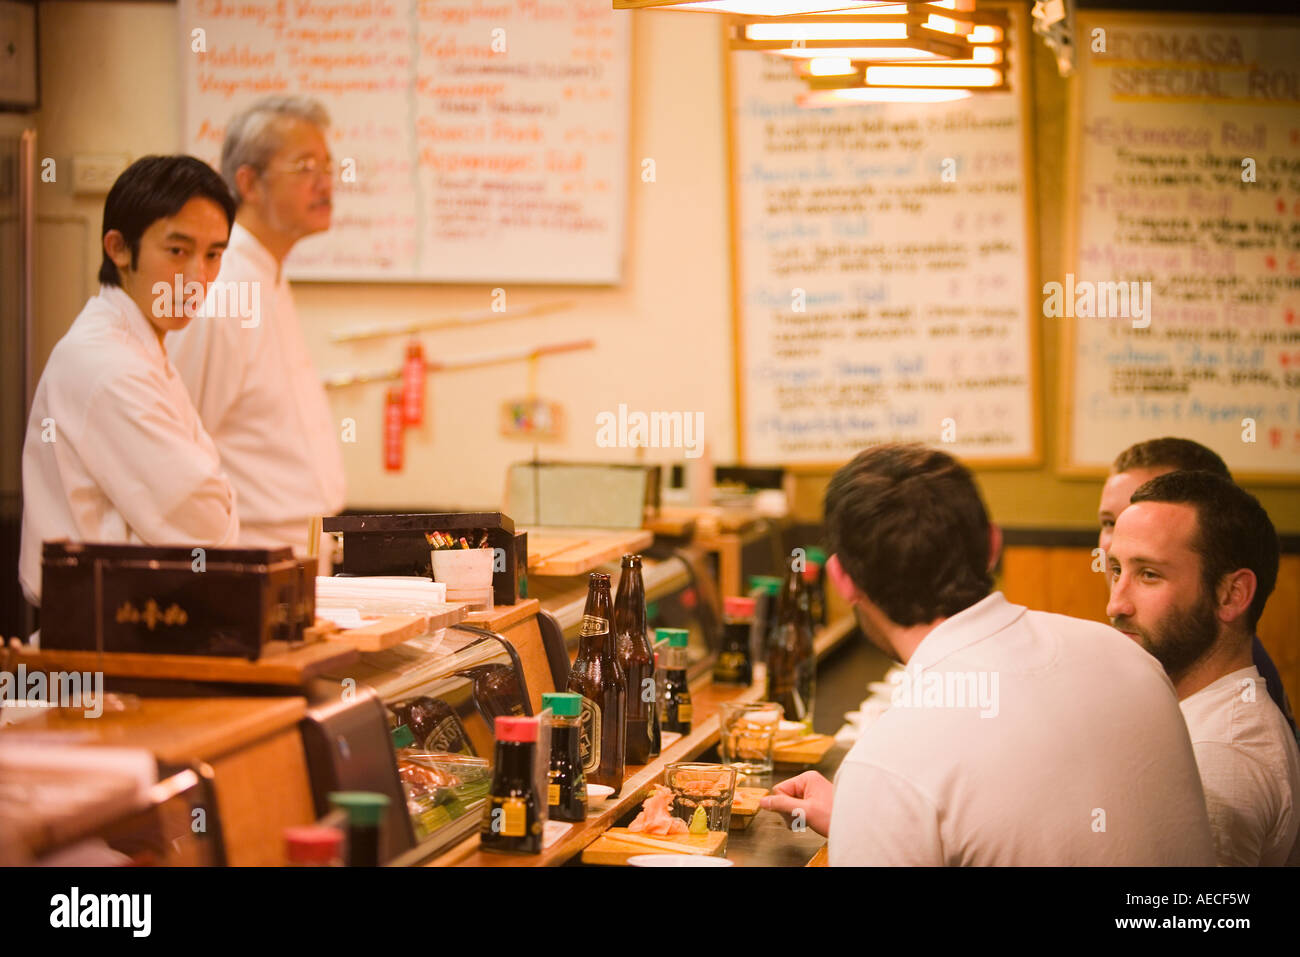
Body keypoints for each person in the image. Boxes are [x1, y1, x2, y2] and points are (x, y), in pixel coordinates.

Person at [761, 444, 1214, 865]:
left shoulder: (888, 765)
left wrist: (875, 810)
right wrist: (872, 818)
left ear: (842, 579)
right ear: (993, 546)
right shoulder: (1128, 657)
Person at [19, 156, 239, 604]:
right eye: (178, 251)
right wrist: (221, 503)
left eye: (214, 254)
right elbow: (206, 524)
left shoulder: (138, 347)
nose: (199, 277)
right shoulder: (107, 365)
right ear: (118, 248)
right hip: (106, 643)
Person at [167, 96, 345, 559]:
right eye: (306, 166)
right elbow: (183, 442)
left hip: (300, 550)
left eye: (328, 165)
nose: (326, 181)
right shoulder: (223, 285)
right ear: (249, 182)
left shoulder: (268, 273)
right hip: (247, 556)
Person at [1107, 471, 1300, 865]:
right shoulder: (1196, 719)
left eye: (1149, 575)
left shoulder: (1216, 761)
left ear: (1232, 594)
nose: (1116, 605)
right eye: (1115, 571)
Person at [1098, 437, 1295, 736]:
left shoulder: (1232, 725)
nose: (1122, 536)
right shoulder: (1172, 659)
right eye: (1109, 522)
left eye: (1149, 513)